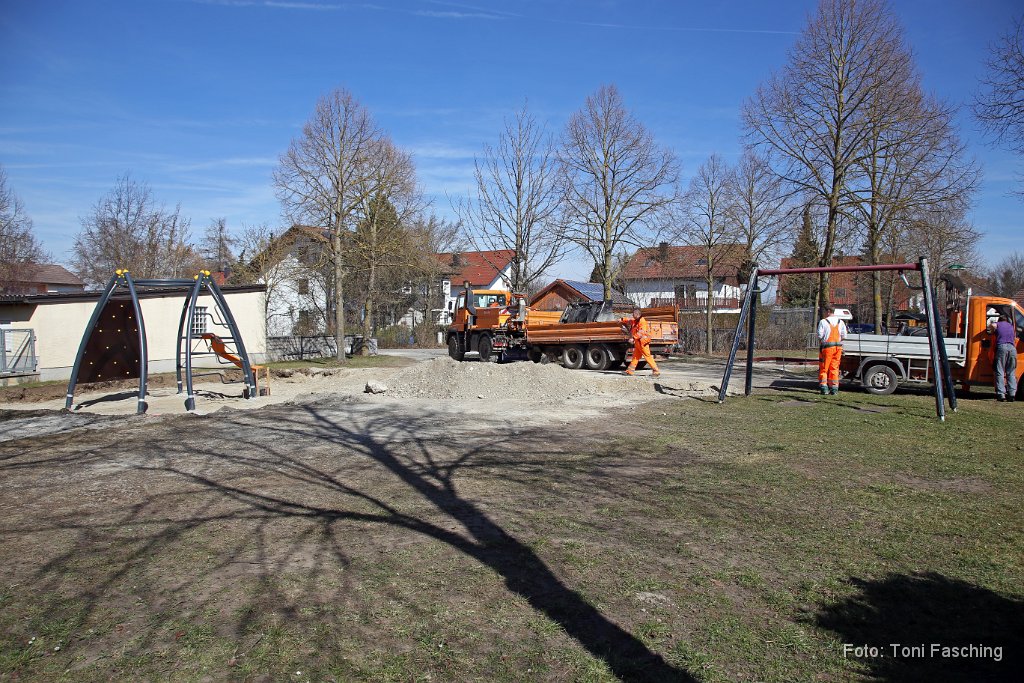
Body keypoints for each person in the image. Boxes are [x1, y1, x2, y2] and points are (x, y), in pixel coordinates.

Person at [620, 307, 661, 378]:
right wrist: (622, 319)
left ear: (637, 314)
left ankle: (656, 371)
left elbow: (641, 332)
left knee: (647, 357)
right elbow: (629, 320)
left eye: (633, 314)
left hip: (643, 343)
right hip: (639, 343)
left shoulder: (642, 321)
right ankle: (630, 371)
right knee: (635, 357)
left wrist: (633, 338)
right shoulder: (636, 320)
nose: (632, 315)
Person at [817, 308, 850, 395]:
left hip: (827, 348)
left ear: (828, 312)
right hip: (838, 348)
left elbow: (820, 335)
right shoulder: (841, 322)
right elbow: (844, 336)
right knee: (834, 368)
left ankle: (824, 388)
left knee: (824, 368)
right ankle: (834, 388)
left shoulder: (823, 322)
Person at [991, 313, 1018, 402]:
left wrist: (992, 329)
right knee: (1011, 372)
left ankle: (1001, 394)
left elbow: (992, 325)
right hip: (1012, 348)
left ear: (1000, 320)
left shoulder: (998, 324)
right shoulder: (1011, 326)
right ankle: (1012, 394)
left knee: (1000, 371)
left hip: (1002, 347)